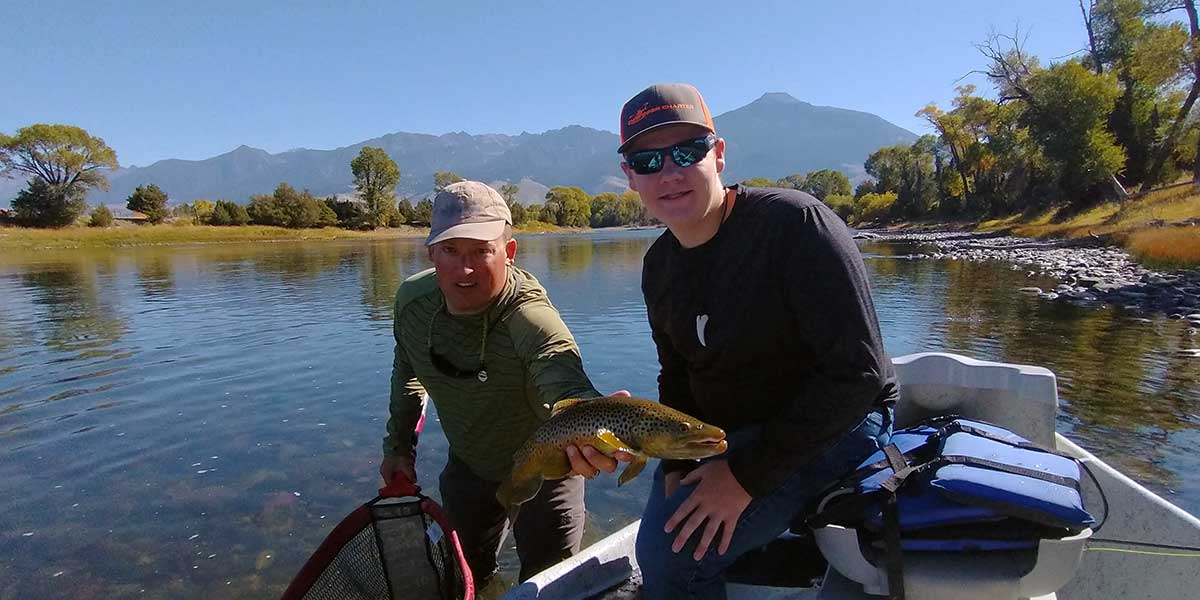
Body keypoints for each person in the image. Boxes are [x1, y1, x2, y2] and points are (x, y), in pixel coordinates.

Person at [606, 83, 899, 599]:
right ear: (630, 177)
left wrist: (744, 477)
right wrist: (677, 461)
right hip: (725, 433)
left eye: (688, 152)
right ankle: (793, 552)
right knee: (668, 543)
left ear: (718, 155)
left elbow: (859, 374)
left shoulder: (795, 225)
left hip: (840, 422)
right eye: (648, 160)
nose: (670, 172)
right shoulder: (659, 265)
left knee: (672, 560)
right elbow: (676, 375)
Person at [380, 180, 618, 586]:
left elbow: (562, 379)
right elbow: (408, 375)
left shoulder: (532, 320)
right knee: (463, 576)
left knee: (549, 585)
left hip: (550, 474)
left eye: (481, 251)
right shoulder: (411, 303)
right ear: (431, 252)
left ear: (508, 253)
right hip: (470, 467)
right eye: (451, 251)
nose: (465, 268)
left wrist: (594, 415)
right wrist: (400, 448)